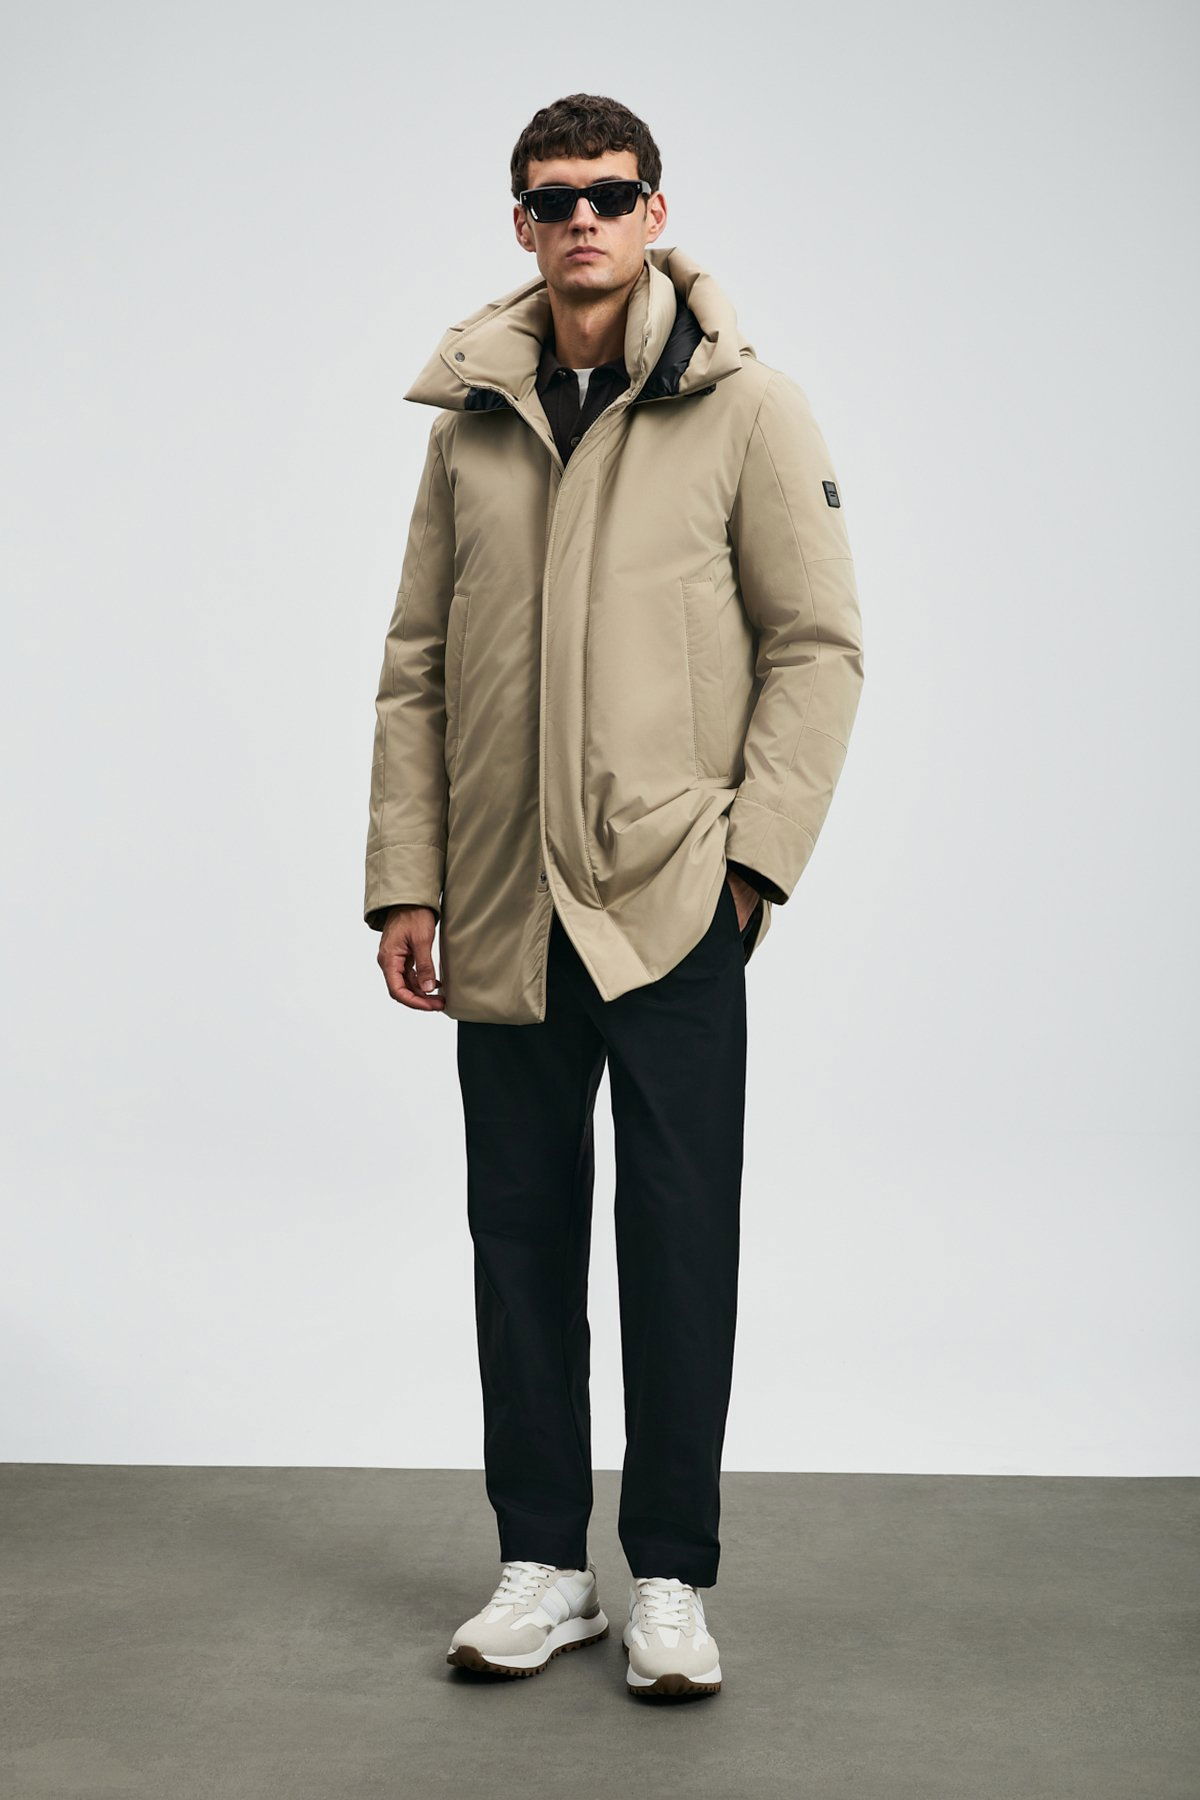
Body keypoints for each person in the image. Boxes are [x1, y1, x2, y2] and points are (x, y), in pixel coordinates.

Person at [364, 93, 864, 1698]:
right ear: (521, 222)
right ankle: (540, 1564)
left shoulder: (747, 408)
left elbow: (817, 646)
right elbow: (419, 667)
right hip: (503, 901)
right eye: (552, 196)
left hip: (669, 898)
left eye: (608, 191)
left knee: (676, 1242)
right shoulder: (472, 424)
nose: (580, 217)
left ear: (655, 211)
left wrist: (752, 862)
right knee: (518, 1239)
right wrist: (406, 878)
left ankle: (670, 1579)